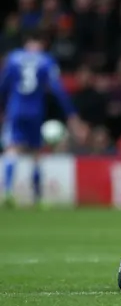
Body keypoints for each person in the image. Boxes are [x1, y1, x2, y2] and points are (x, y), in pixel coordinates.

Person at [0, 31, 83, 207]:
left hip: (15, 109)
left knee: (13, 148)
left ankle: (7, 191)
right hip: (36, 111)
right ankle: (37, 195)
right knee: (36, 152)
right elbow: (58, 90)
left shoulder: (13, 58)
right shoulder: (46, 60)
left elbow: (3, 85)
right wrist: (71, 113)